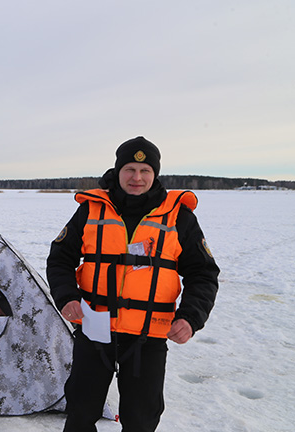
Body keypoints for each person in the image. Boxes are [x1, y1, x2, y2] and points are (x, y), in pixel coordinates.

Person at [46, 136, 219, 432]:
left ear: (155, 174)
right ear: (118, 171)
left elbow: (203, 273)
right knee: (80, 413)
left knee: (141, 420)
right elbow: (60, 259)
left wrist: (191, 317)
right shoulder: (91, 209)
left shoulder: (179, 217)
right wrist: (67, 297)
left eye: (144, 171)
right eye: (130, 169)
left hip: (148, 337)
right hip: (95, 329)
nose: (136, 177)